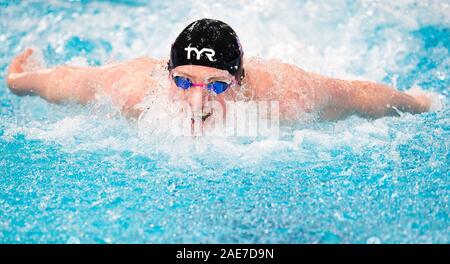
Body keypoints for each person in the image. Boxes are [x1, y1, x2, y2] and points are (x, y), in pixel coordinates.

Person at [6, 18, 431, 128]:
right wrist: (17, 80)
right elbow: (64, 81)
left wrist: (422, 103)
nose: (198, 100)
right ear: (165, 74)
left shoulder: (287, 97)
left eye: (217, 85)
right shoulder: (131, 91)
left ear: (240, 82)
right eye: (183, 81)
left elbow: (357, 94)